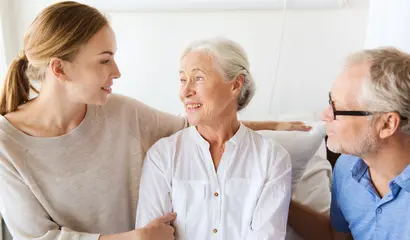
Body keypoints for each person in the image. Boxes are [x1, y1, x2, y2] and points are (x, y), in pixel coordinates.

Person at [0, 2, 309, 240]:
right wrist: (135, 238)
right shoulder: (6, 144)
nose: (117, 71)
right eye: (105, 59)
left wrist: (274, 126)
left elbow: (203, 125)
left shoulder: (122, 112)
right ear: (59, 69)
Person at [135, 37, 292, 240]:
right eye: (183, 80)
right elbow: (150, 235)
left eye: (198, 78)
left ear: (235, 85)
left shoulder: (272, 158)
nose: (185, 92)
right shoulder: (163, 156)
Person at [287, 47, 410, 240]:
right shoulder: (348, 166)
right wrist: (279, 199)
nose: (324, 115)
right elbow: (338, 236)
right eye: (330, 100)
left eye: (336, 108)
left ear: (387, 124)